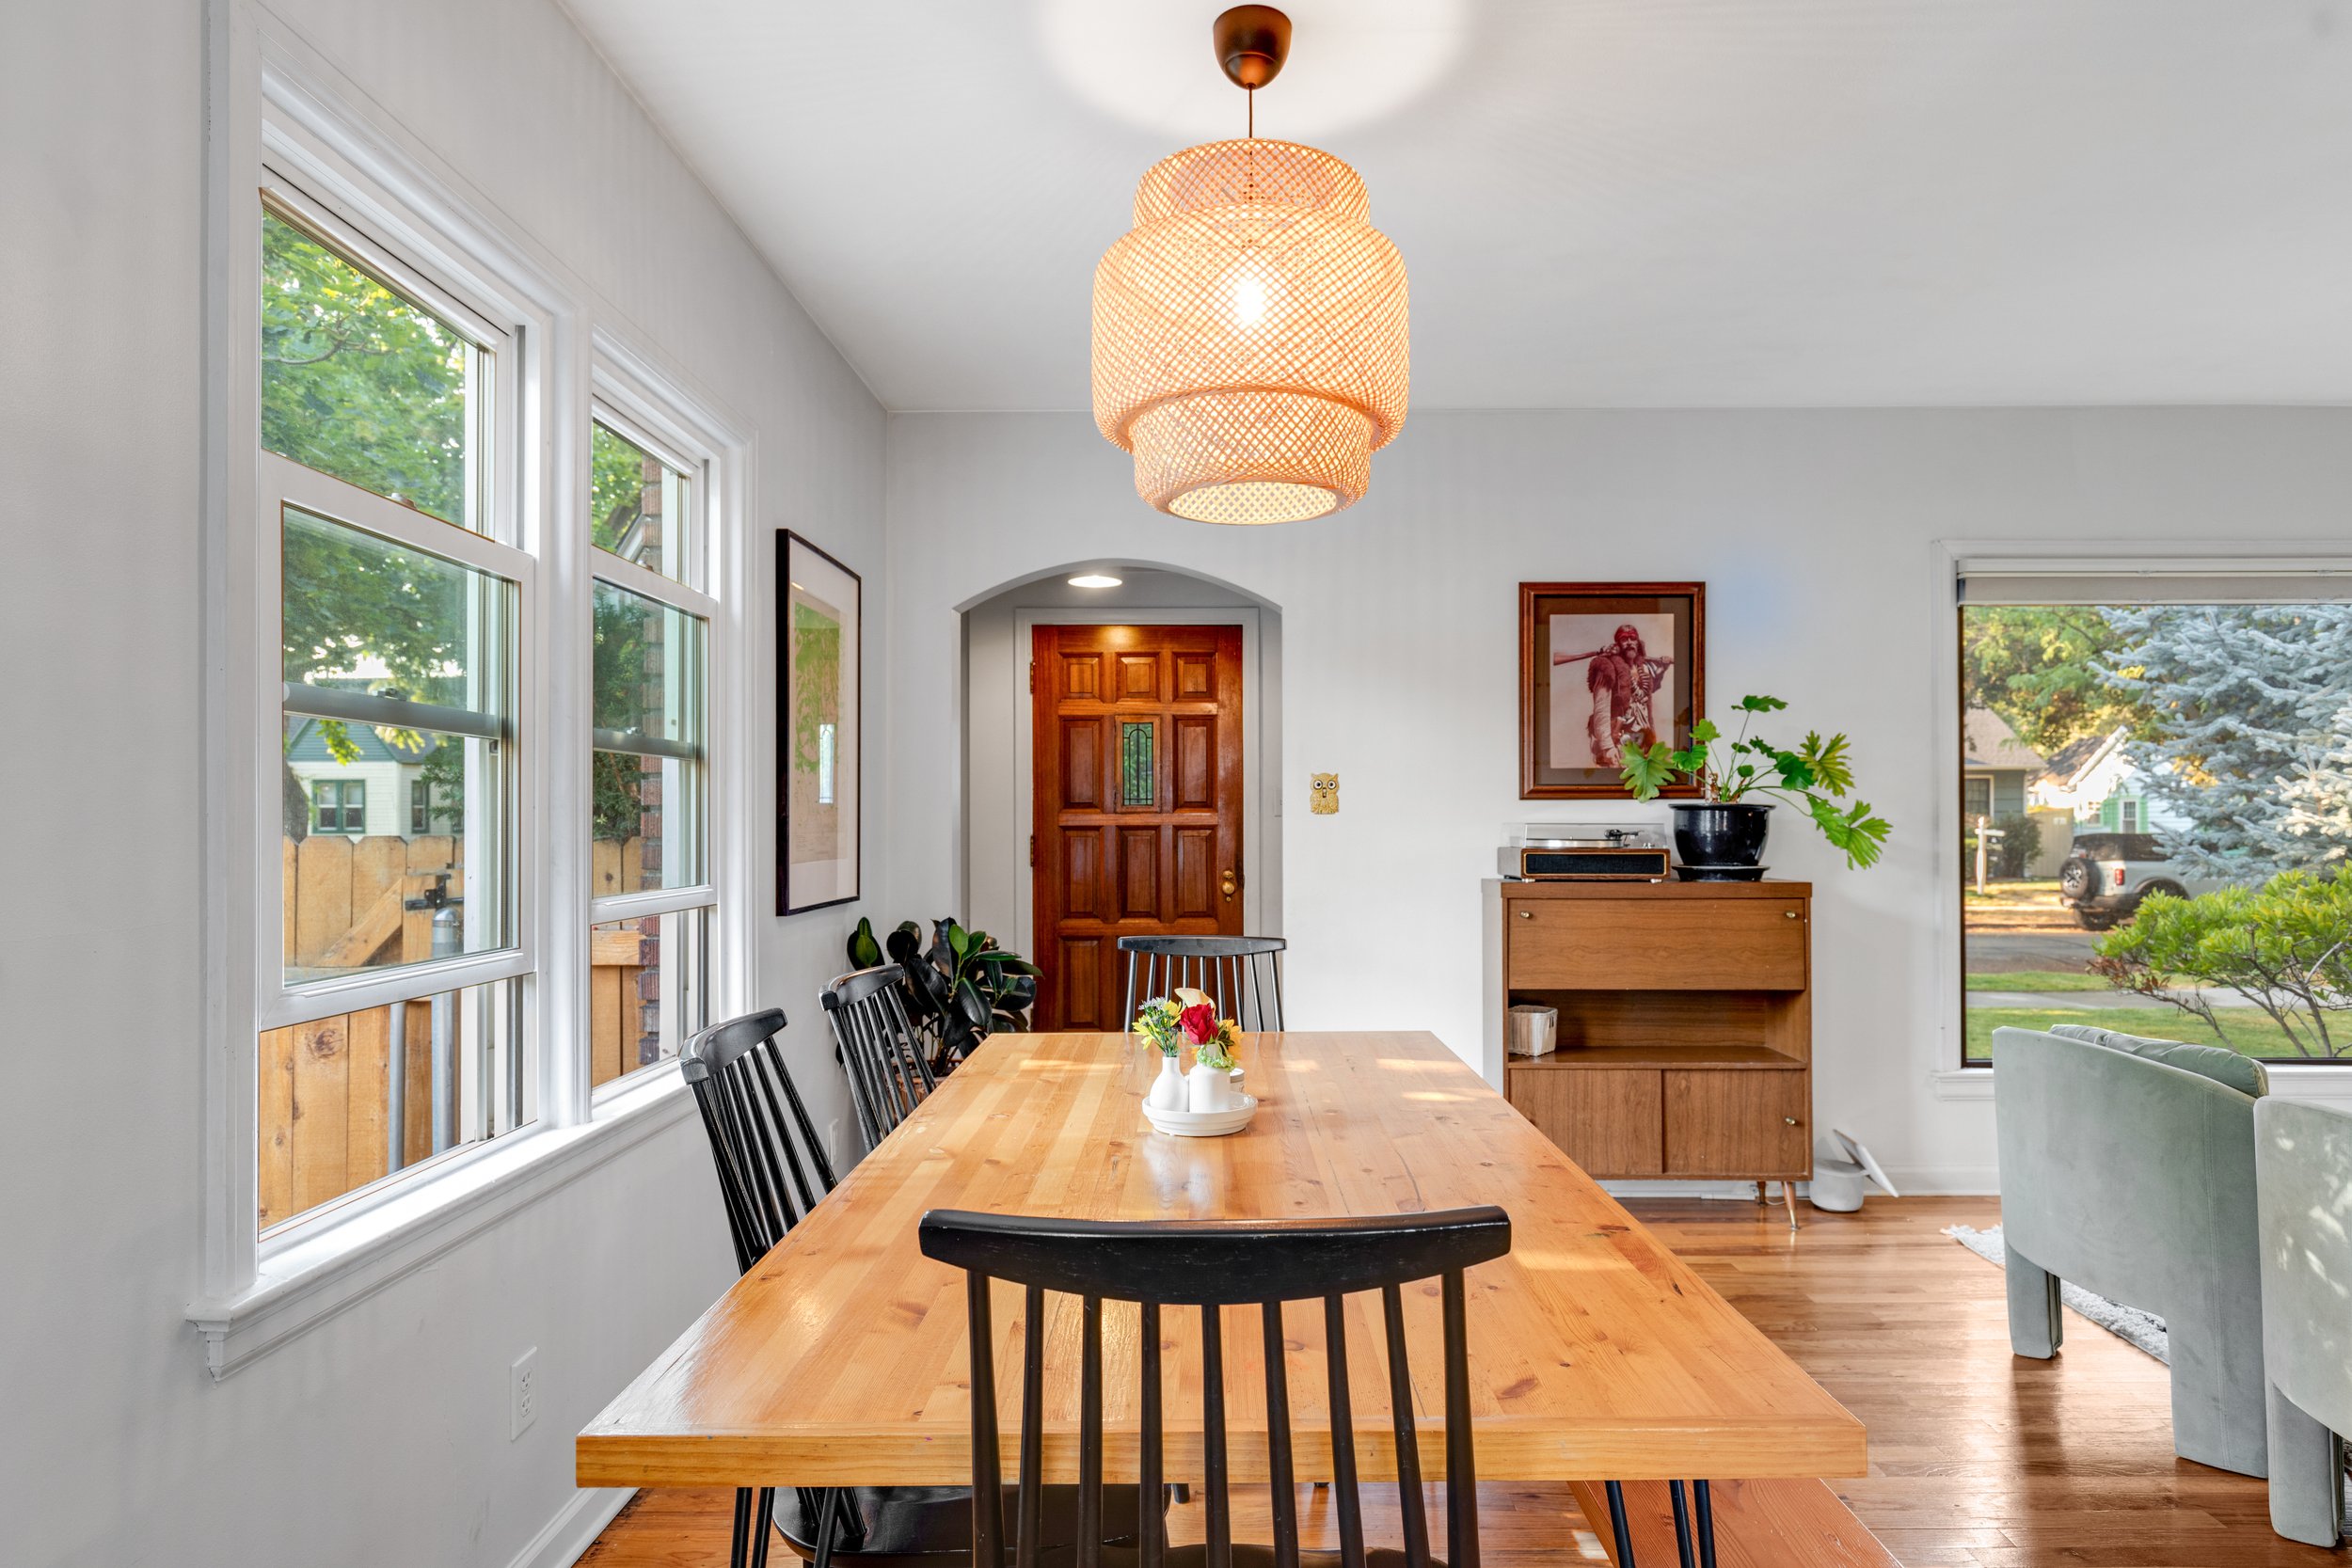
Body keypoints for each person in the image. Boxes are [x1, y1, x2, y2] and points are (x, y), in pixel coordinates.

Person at [1555, 624, 1673, 767]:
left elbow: (1647, 691)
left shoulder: (1644, 668)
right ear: (1618, 644)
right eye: (1624, 639)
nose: (1629, 643)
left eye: (1633, 638)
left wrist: (1664, 666)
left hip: (1643, 739)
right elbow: (1601, 709)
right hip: (1618, 739)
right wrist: (1607, 746)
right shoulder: (1607, 668)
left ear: (1638, 642)